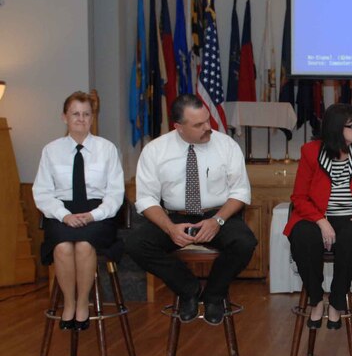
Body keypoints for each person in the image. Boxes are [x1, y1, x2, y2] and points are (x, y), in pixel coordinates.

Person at [126, 94, 257, 325]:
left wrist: (217, 221)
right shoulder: (156, 150)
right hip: (175, 217)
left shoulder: (226, 145)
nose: (207, 128)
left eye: (207, 120)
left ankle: (214, 294)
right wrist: (169, 228)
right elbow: (146, 199)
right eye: (198, 125)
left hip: (218, 214)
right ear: (178, 127)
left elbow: (240, 193)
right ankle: (188, 288)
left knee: (245, 242)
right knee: (136, 243)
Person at [283, 104, 352, 330]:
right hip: (316, 216)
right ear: (337, 129)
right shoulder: (310, 151)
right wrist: (321, 221)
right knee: (302, 237)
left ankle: (337, 301)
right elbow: (298, 197)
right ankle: (316, 299)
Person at [33, 91, 124, 331]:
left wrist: (94, 215)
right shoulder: (51, 151)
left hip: (98, 214)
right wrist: (64, 215)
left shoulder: (107, 149)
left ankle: (83, 303)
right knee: (62, 247)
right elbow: (42, 192)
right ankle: (69, 304)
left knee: (84, 245)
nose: (81, 119)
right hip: (62, 212)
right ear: (64, 117)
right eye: (75, 114)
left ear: (92, 118)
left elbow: (115, 193)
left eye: (86, 114)